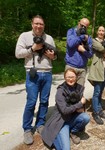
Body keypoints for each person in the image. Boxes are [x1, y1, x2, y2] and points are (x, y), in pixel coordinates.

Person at [15, 15, 57, 145]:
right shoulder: (24, 36)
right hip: (32, 73)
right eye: (36, 23)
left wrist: (52, 56)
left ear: (44, 26)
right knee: (31, 101)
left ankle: (40, 124)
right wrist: (33, 48)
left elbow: (55, 56)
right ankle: (27, 129)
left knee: (44, 101)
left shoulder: (49, 38)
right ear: (32, 24)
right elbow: (18, 54)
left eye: (41, 24)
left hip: (47, 73)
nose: (39, 26)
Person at [41, 68, 90, 150]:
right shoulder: (60, 91)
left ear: (76, 77)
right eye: (68, 77)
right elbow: (65, 110)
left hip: (71, 119)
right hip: (61, 122)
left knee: (85, 117)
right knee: (65, 148)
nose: (70, 79)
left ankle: (72, 131)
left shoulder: (78, 88)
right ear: (64, 77)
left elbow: (81, 109)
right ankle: (60, 133)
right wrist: (80, 104)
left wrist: (79, 106)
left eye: (72, 77)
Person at [88, 26, 105, 125]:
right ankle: (95, 113)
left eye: (103, 30)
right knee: (97, 91)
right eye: (99, 30)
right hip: (98, 68)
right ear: (97, 32)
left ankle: (99, 110)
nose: (101, 32)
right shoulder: (94, 41)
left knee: (101, 91)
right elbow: (101, 48)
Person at [65, 18, 93, 86]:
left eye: (85, 27)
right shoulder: (71, 31)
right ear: (78, 23)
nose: (83, 28)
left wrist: (83, 51)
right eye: (81, 25)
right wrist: (81, 37)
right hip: (71, 67)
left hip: (82, 69)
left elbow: (90, 55)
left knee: (79, 92)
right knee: (68, 91)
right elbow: (70, 44)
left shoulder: (88, 38)